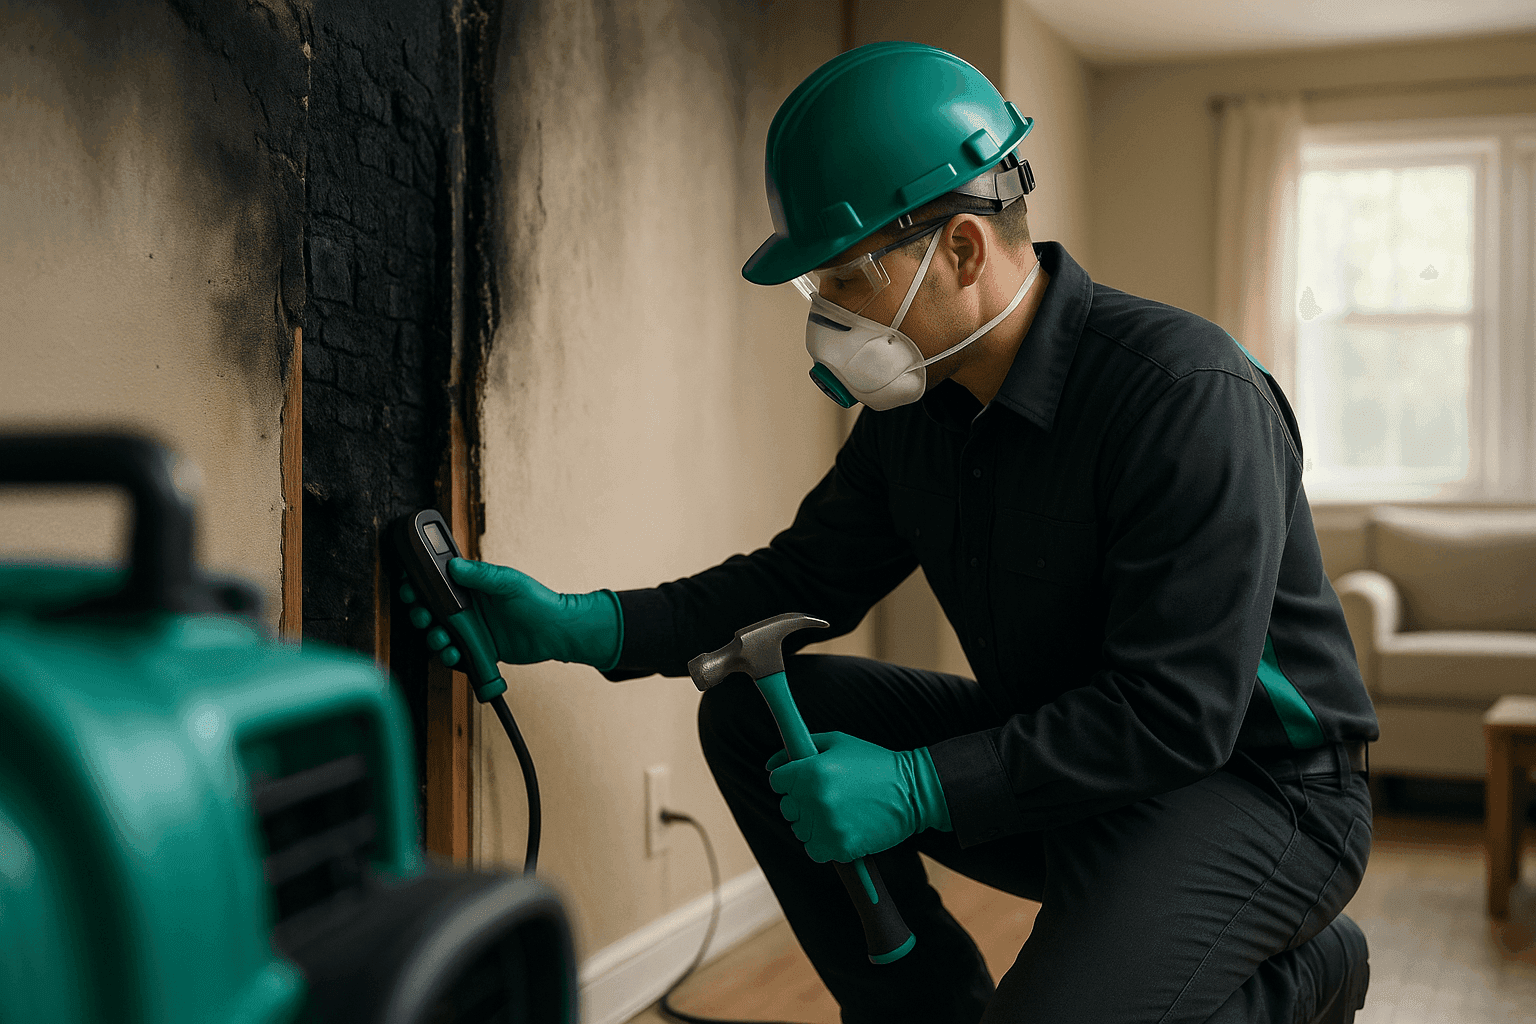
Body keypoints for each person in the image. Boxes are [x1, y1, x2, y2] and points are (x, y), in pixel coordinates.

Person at [406, 41, 1378, 1024]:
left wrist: (921, 784)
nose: (826, 315)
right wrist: (580, 624)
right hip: (1072, 769)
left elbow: (1179, 712)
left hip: (1258, 792)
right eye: (816, 288)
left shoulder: (1183, 393)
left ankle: (1304, 978)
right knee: (752, 712)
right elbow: (795, 583)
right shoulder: (916, 419)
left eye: (845, 279)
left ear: (961, 248)